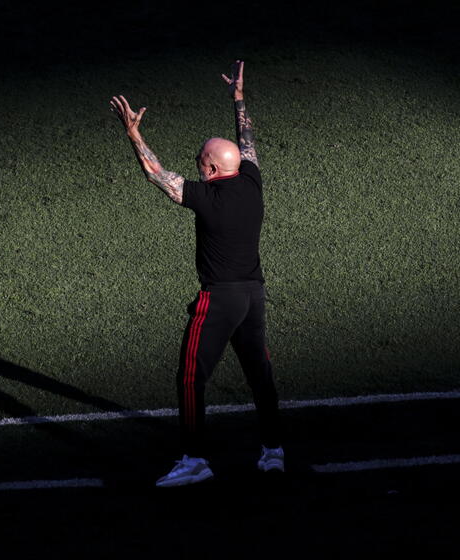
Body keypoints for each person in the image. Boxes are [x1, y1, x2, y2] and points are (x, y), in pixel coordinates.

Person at [109, 60, 283, 486]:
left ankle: (194, 460)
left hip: (219, 300)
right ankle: (273, 452)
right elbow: (247, 142)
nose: (195, 166)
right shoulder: (252, 181)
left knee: (191, 377)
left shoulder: (205, 197)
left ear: (209, 169)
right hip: (253, 297)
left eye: (198, 161)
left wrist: (134, 133)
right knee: (259, 373)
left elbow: (156, 174)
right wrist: (238, 99)